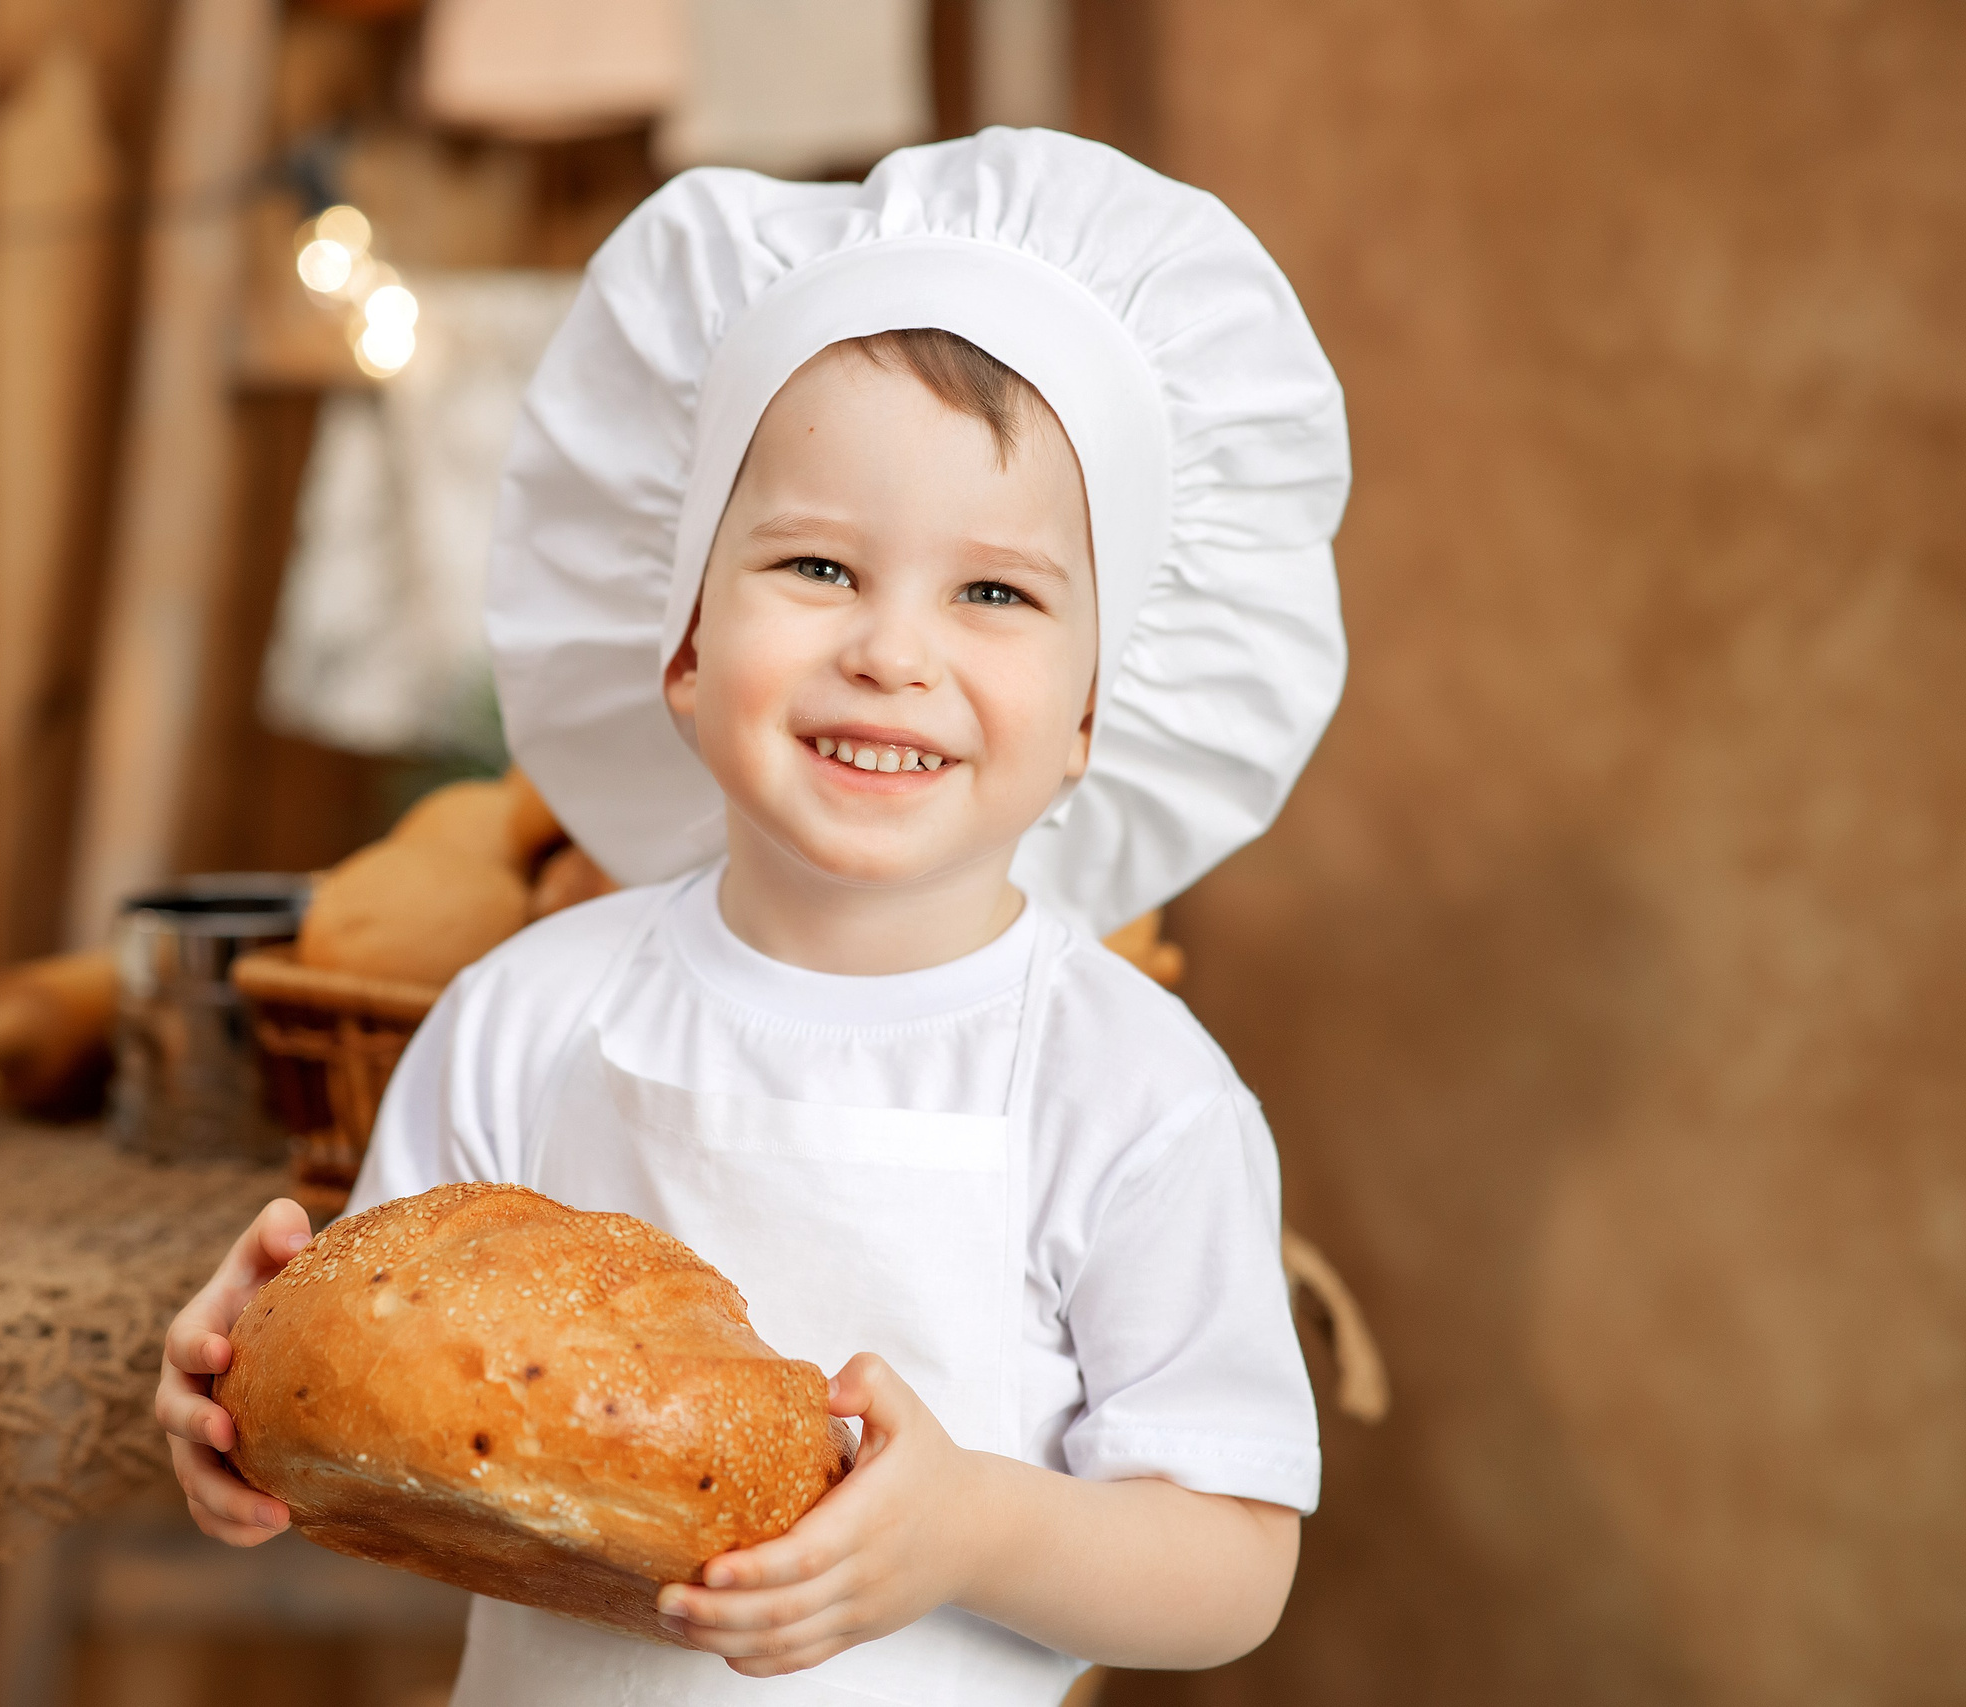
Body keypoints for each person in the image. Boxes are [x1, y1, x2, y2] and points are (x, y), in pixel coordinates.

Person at [156, 127, 1350, 1705]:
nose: (891, 652)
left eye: (995, 594)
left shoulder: (1133, 1088)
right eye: (816, 565)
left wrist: (972, 1531)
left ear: (1089, 720)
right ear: (684, 648)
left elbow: (1232, 1567)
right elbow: (394, 1422)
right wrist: (245, 1411)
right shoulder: (528, 1010)